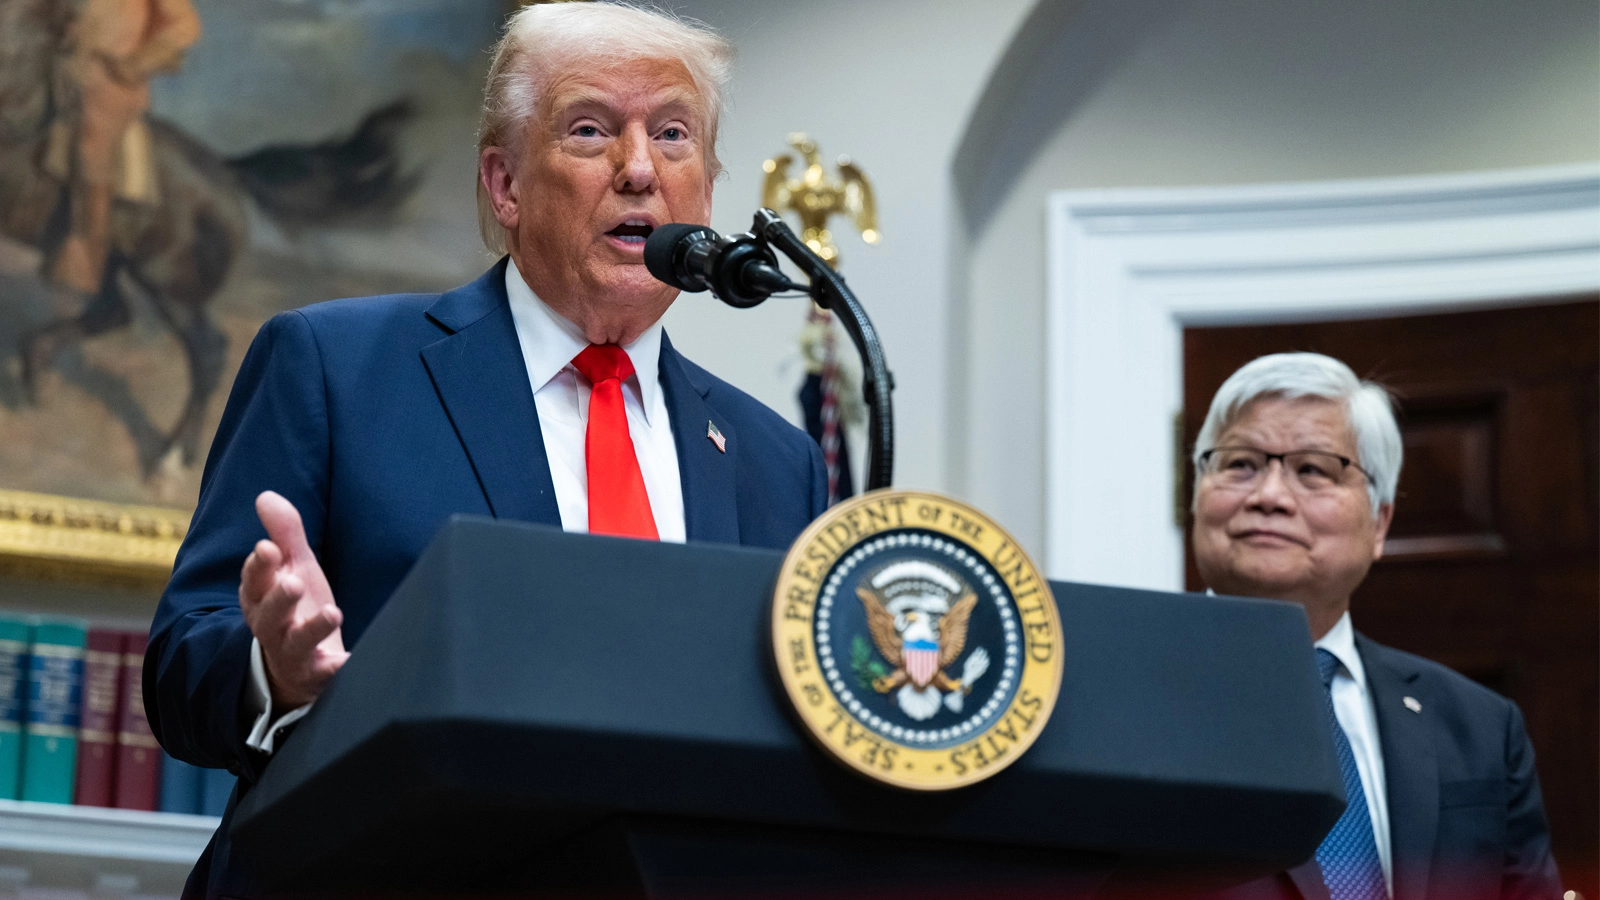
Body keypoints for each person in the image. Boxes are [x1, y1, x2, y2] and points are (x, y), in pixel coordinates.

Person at [143, 4, 827, 898]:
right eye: (591, 130)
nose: (639, 169)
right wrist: (271, 675)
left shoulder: (776, 462)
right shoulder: (334, 366)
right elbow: (181, 662)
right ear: (505, 185)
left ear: (706, 189)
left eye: (673, 134)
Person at [1191, 353, 1561, 900]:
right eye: (1240, 464)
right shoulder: (1120, 698)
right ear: (1197, 494)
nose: (1269, 496)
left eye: (1313, 470)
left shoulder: (1480, 728)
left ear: (1379, 523)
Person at [45, 0, 201, 295]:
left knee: (92, 155)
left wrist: (137, 62)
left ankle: (85, 265)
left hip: (113, 86)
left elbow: (186, 26)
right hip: (73, 75)